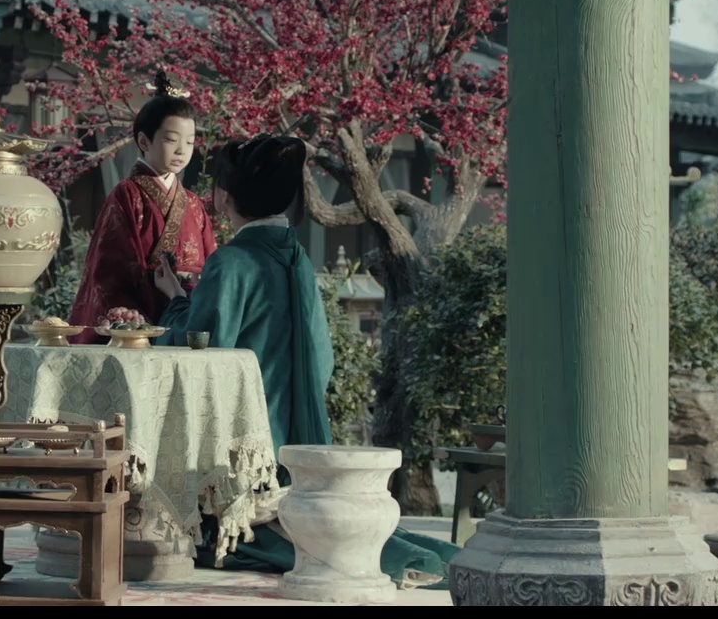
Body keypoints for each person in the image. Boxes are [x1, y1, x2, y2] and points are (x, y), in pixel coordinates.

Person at [152, 136, 460, 588]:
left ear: (222, 197)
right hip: (299, 422)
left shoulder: (231, 262)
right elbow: (322, 355)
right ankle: (437, 559)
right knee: (309, 522)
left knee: (223, 536)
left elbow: (200, 350)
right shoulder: (297, 257)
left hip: (249, 431)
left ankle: (407, 561)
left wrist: (176, 301)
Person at [67, 69, 218, 342]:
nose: (182, 150)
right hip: (141, 320)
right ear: (144, 141)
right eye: (171, 140)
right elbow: (110, 273)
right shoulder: (127, 195)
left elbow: (211, 267)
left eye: (190, 142)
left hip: (186, 318)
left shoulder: (193, 203)